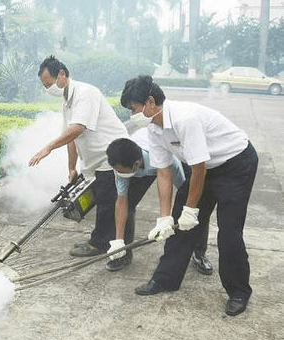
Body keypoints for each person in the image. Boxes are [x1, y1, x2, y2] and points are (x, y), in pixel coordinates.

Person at [119, 75, 258, 316]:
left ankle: (238, 292)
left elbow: (199, 168)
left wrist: (191, 210)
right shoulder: (154, 127)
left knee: (229, 231)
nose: (133, 114)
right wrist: (164, 218)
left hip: (235, 164)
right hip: (203, 166)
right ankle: (165, 279)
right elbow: (163, 173)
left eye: (134, 108)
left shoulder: (185, 119)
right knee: (177, 224)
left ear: (150, 102)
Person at [29, 55, 129, 257]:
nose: (48, 90)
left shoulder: (85, 93)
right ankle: (101, 240)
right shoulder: (67, 102)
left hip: (112, 156)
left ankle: (102, 245)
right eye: (44, 86)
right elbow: (71, 138)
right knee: (103, 201)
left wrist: (48, 147)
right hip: (97, 160)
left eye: (48, 84)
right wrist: (71, 168)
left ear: (62, 74)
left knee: (106, 203)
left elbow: (77, 128)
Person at [104, 132, 187, 271]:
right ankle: (122, 252)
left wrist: (165, 219)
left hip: (163, 162)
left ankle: (199, 252)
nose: (120, 174)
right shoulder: (121, 164)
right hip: (140, 165)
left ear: (137, 164)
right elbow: (122, 200)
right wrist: (118, 239)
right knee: (127, 206)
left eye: (123, 172)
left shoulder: (167, 161)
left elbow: (183, 190)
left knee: (189, 206)